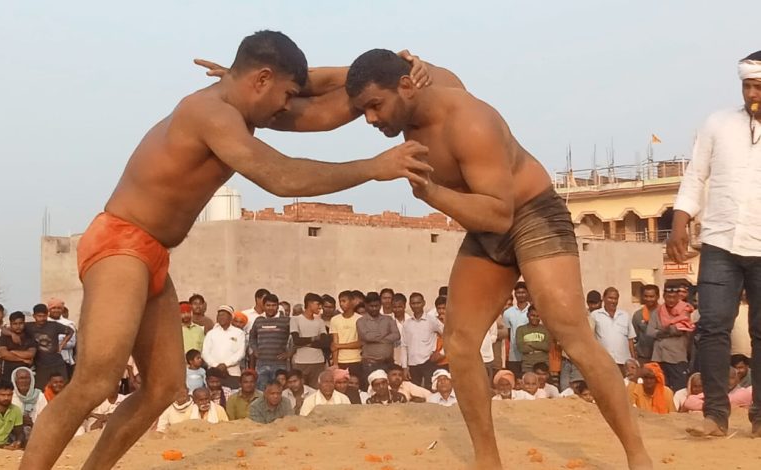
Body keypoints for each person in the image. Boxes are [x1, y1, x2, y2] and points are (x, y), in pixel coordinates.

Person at [202, 46, 651, 468]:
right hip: (483, 226)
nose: (370, 118)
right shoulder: (394, 88)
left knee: (571, 333)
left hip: (529, 214)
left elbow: (500, 213)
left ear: (406, 86)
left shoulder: (470, 121)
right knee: (460, 342)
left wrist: (430, 192)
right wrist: (246, 87)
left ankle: (638, 456)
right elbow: (320, 100)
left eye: (375, 107)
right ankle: (488, 460)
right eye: (364, 109)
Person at [23, 32, 432, 470]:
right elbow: (282, 177)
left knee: (161, 388)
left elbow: (323, 110)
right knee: (94, 382)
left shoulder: (239, 111)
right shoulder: (210, 113)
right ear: (261, 79)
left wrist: (387, 68)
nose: (287, 105)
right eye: (286, 94)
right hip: (121, 242)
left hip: (151, 253)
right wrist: (373, 168)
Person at [667, 50, 761, 439]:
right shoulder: (718, 124)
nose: (752, 94)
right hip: (720, 242)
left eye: (759, 87)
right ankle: (716, 416)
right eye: (748, 86)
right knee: (712, 328)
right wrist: (679, 222)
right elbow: (696, 176)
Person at [647, 283, 693, 392]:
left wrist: (661, 331)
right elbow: (650, 332)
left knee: (679, 389)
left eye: (674, 297)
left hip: (676, 357)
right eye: (668, 297)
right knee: (660, 389)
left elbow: (680, 329)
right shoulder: (657, 312)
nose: (671, 300)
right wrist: (668, 330)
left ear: (678, 297)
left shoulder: (684, 310)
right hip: (659, 357)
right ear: (663, 296)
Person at [21, 304, 74, 391]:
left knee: (63, 389)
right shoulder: (28, 327)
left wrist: (61, 345)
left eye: (44, 316)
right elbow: (9, 329)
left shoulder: (54, 325)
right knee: (41, 390)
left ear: (47, 315)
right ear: (34, 316)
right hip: (40, 365)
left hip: (57, 363)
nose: (42, 318)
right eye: (39, 316)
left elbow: (70, 331)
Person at [401, 292, 443, 390]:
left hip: (429, 362)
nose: (416, 306)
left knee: (430, 390)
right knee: (415, 391)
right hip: (412, 364)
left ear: (423, 303)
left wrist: (441, 352)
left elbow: (447, 335)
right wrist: (404, 367)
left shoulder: (432, 320)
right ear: (410, 304)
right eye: (413, 303)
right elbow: (404, 346)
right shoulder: (407, 324)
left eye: (418, 303)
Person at [559, 291, 599, 391]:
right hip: (566, 360)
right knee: (564, 390)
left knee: (577, 389)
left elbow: (586, 337)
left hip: (579, 360)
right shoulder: (564, 318)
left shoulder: (589, 319)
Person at [249, 294, 291, 389]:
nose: (271, 308)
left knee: (280, 390)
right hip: (262, 363)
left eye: (273, 305)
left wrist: (289, 353)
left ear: (278, 306)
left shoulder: (286, 321)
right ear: (263, 306)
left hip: (280, 364)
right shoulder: (258, 320)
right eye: (268, 305)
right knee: (262, 391)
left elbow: (295, 338)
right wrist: (255, 350)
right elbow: (252, 338)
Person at [357, 292, 400, 383]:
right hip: (370, 364)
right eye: (371, 306)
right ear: (366, 305)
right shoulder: (361, 321)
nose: (374, 308)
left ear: (380, 305)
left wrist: (377, 338)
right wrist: (386, 334)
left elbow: (396, 335)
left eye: (376, 306)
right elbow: (367, 337)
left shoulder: (388, 319)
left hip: (388, 363)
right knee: (370, 388)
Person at [591, 288, 637, 373]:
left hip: (624, 362)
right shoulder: (595, 315)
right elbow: (591, 339)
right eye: (610, 298)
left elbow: (630, 340)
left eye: (615, 298)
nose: (613, 301)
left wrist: (633, 359)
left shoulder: (625, 315)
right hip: (604, 362)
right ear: (604, 298)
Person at [202, 305, 246, 389]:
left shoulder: (239, 333)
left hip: (233, 372)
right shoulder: (211, 333)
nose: (221, 317)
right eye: (219, 315)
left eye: (223, 315)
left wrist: (226, 364)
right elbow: (205, 353)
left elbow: (241, 353)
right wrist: (216, 365)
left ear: (230, 317)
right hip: (214, 373)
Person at [290, 293, 329, 388]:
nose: (320, 307)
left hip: (318, 361)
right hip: (301, 362)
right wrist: (314, 338)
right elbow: (296, 340)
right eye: (318, 304)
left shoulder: (320, 321)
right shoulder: (295, 320)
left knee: (316, 390)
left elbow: (324, 342)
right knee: (301, 389)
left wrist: (306, 343)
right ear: (309, 303)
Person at [330, 291, 363, 385]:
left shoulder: (360, 319)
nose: (341, 304)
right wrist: (335, 364)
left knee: (356, 385)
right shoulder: (335, 320)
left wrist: (339, 346)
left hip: (356, 359)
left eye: (344, 301)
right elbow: (334, 344)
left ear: (352, 301)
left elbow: (360, 343)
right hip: (340, 361)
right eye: (340, 301)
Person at [0, 312, 36, 388]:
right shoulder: (4, 338)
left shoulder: (29, 338)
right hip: (6, 376)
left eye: (20, 323)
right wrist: (22, 359)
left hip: (25, 378)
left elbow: (30, 354)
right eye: (15, 324)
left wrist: (12, 352)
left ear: (24, 323)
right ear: (10, 324)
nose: (18, 326)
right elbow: (4, 355)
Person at [502, 282, 531, 378]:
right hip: (514, 354)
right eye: (518, 292)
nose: (521, 295)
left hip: (530, 354)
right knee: (515, 379)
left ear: (527, 293)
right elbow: (508, 333)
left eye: (523, 292)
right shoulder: (508, 313)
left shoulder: (533, 311)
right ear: (515, 294)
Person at [10, 368, 47, 442]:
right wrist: (19, 421)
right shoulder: (10, 396)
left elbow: (45, 418)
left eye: (27, 378)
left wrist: (32, 424)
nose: (24, 381)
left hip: (37, 433)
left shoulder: (40, 396)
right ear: (15, 380)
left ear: (32, 380)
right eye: (21, 378)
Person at [46, 298, 77, 380]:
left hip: (65, 361)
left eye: (59, 308)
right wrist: (61, 339)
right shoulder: (44, 322)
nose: (56, 310)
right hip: (46, 361)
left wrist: (56, 344)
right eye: (53, 308)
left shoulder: (69, 324)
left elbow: (72, 343)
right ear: (49, 309)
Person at [515, 305, 550, 373]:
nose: (535, 318)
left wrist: (531, 343)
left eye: (538, 316)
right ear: (527, 315)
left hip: (543, 362)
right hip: (527, 364)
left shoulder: (546, 329)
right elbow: (521, 348)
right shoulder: (520, 329)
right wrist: (540, 346)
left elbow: (547, 347)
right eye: (533, 315)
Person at [632, 285, 659, 365]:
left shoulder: (664, 313)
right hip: (643, 357)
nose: (648, 299)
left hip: (661, 357)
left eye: (651, 296)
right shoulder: (638, 315)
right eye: (646, 296)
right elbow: (634, 338)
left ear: (658, 296)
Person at [390, 293, 410, 367]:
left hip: (409, 357)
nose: (397, 310)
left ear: (404, 306)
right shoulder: (388, 321)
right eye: (394, 307)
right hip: (393, 356)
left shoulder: (410, 320)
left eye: (400, 307)